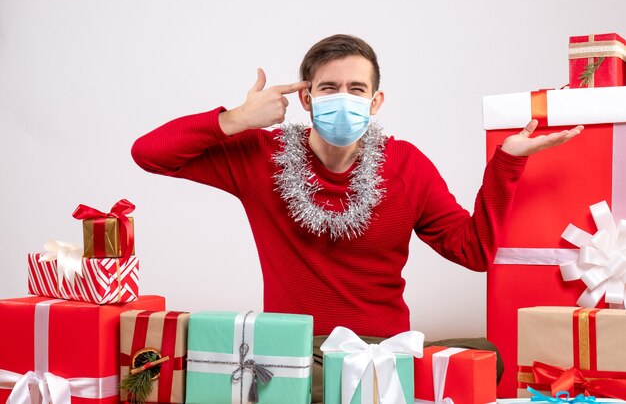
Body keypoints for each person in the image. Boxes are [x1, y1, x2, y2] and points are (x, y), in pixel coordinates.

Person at [132, 34, 583, 402]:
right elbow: (149, 154)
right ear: (306, 98)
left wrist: (506, 163)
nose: (343, 99)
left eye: (357, 89)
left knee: (484, 361)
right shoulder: (261, 156)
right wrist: (235, 118)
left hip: (384, 352)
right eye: (329, 88)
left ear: (376, 101)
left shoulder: (405, 165)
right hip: (298, 355)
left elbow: (473, 250)